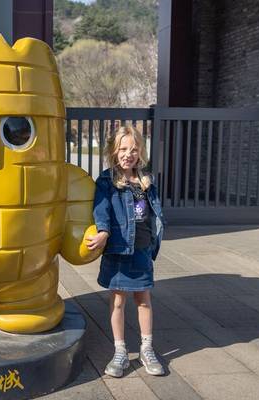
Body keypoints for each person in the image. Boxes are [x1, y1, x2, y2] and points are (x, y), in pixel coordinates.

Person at [86, 125, 166, 378]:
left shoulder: (146, 181)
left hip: (141, 250)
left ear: (140, 152)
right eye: (123, 149)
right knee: (118, 301)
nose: (128, 154)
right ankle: (120, 350)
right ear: (114, 151)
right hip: (119, 251)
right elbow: (102, 210)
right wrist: (103, 232)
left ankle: (147, 348)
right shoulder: (107, 180)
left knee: (144, 300)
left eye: (133, 149)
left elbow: (153, 216)